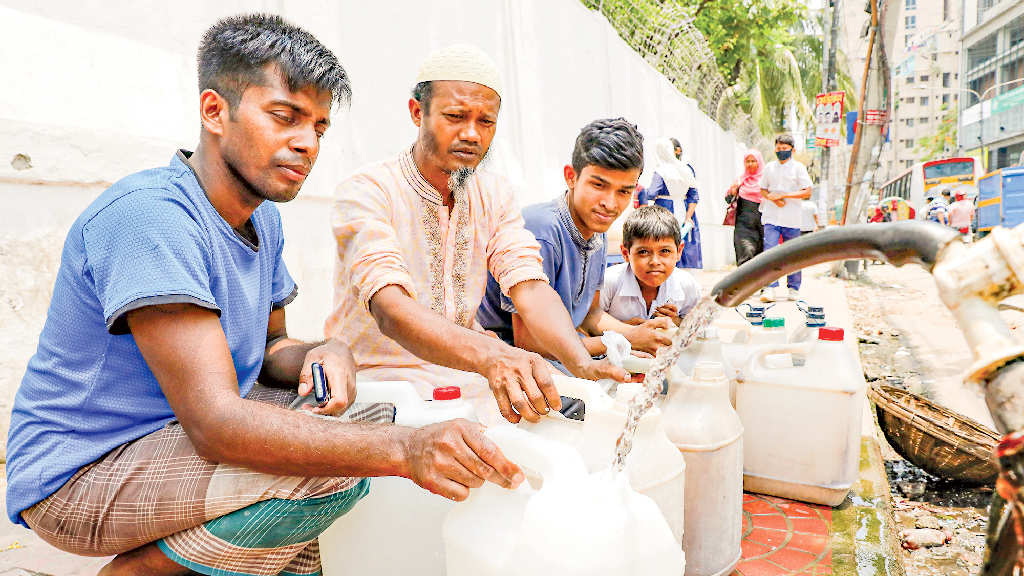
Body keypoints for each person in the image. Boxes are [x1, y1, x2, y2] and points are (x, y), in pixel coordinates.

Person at [6, 16, 529, 576]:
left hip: (175, 439)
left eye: (320, 128)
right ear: (214, 111)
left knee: (375, 415)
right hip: (85, 468)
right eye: (285, 118)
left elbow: (272, 347)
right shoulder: (151, 217)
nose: (306, 143)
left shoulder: (262, 218)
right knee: (338, 463)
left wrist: (326, 351)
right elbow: (219, 424)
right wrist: (406, 450)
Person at [326, 45, 628, 427]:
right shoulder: (367, 190)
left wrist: (579, 360)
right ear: (418, 112)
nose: (471, 134)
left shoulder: (494, 194)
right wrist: (491, 356)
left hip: (470, 378)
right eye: (455, 116)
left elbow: (529, 286)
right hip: (380, 382)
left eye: (486, 122)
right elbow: (390, 310)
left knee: (573, 422)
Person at [477, 118, 673, 370]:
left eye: (623, 191)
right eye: (598, 185)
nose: (610, 204)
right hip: (513, 351)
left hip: (566, 346)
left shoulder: (597, 231)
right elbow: (529, 343)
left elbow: (590, 314)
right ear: (571, 177)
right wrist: (624, 340)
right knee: (597, 403)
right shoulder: (542, 231)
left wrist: (640, 333)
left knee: (653, 375)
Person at [601, 205, 702, 327]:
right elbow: (586, 324)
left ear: (679, 252)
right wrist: (624, 328)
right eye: (643, 252)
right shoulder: (608, 282)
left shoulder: (687, 285)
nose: (655, 262)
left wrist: (675, 321)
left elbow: (697, 329)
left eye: (665, 251)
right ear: (625, 253)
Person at [759, 134, 812, 302]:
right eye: (779, 149)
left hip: (792, 219)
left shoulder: (798, 168)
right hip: (771, 217)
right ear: (775, 149)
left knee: (793, 254)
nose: (781, 152)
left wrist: (785, 195)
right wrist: (772, 198)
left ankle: (794, 288)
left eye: (785, 149)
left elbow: (807, 191)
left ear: (792, 150)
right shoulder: (769, 167)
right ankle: (770, 287)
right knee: (770, 251)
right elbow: (763, 189)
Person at [645, 138, 702, 268]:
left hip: (665, 209)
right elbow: (694, 195)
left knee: (665, 242)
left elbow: (652, 193)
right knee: (684, 242)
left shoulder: (660, 171)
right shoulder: (686, 169)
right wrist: (689, 216)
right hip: (684, 208)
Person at [727, 148, 774, 265]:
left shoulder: (767, 181)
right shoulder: (740, 181)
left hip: (763, 226)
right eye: (747, 161)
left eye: (753, 161)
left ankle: (760, 283)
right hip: (743, 227)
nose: (750, 164)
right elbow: (727, 200)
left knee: (762, 259)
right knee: (745, 254)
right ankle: (746, 283)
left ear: (759, 162)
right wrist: (733, 192)